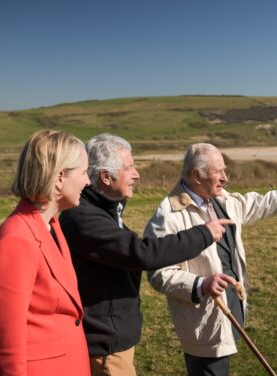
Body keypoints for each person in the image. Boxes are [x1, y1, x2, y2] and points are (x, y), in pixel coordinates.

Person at [145, 143, 277, 376]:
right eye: (218, 172)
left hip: (232, 307)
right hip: (203, 320)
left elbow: (258, 204)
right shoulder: (169, 214)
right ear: (197, 175)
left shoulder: (220, 198)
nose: (226, 177)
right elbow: (158, 272)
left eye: (225, 170)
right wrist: (200, 284)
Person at [59, 134, 232, 376]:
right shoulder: (84, 218)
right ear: (106, 177)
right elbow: (142, 254)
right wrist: (203, 234)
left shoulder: (102, 211)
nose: (137, 174)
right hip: (105, 346)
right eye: (129, 167)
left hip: (112, 340)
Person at [0, 130, 92, 376]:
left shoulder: (52, 224)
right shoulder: (16, 239)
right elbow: (7, 345)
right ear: (59, 177)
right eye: (84, 172)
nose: (88, 181)